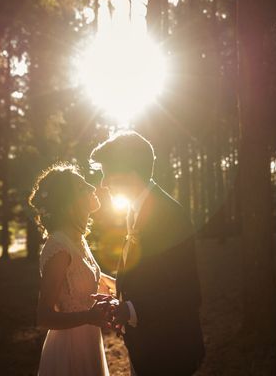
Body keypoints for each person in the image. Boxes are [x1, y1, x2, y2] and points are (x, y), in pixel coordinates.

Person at [90, 131, 205, 375]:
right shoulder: (136, 210)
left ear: (129, 173)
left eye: (107, 173)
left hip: (169, 349)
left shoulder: (168, 216)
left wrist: (130, 309)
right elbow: (151, 275)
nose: (103, 183)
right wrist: (119, 298)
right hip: (145, 344)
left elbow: (187, 293)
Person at [29, 163, 115, 376]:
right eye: (81, 186)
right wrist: (88, 317)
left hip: (90, 341)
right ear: (68, 204)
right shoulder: (58, 248)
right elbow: (44, 316)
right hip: (69, 349)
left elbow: (89, 278)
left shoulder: (78, 240)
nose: (91, 187)